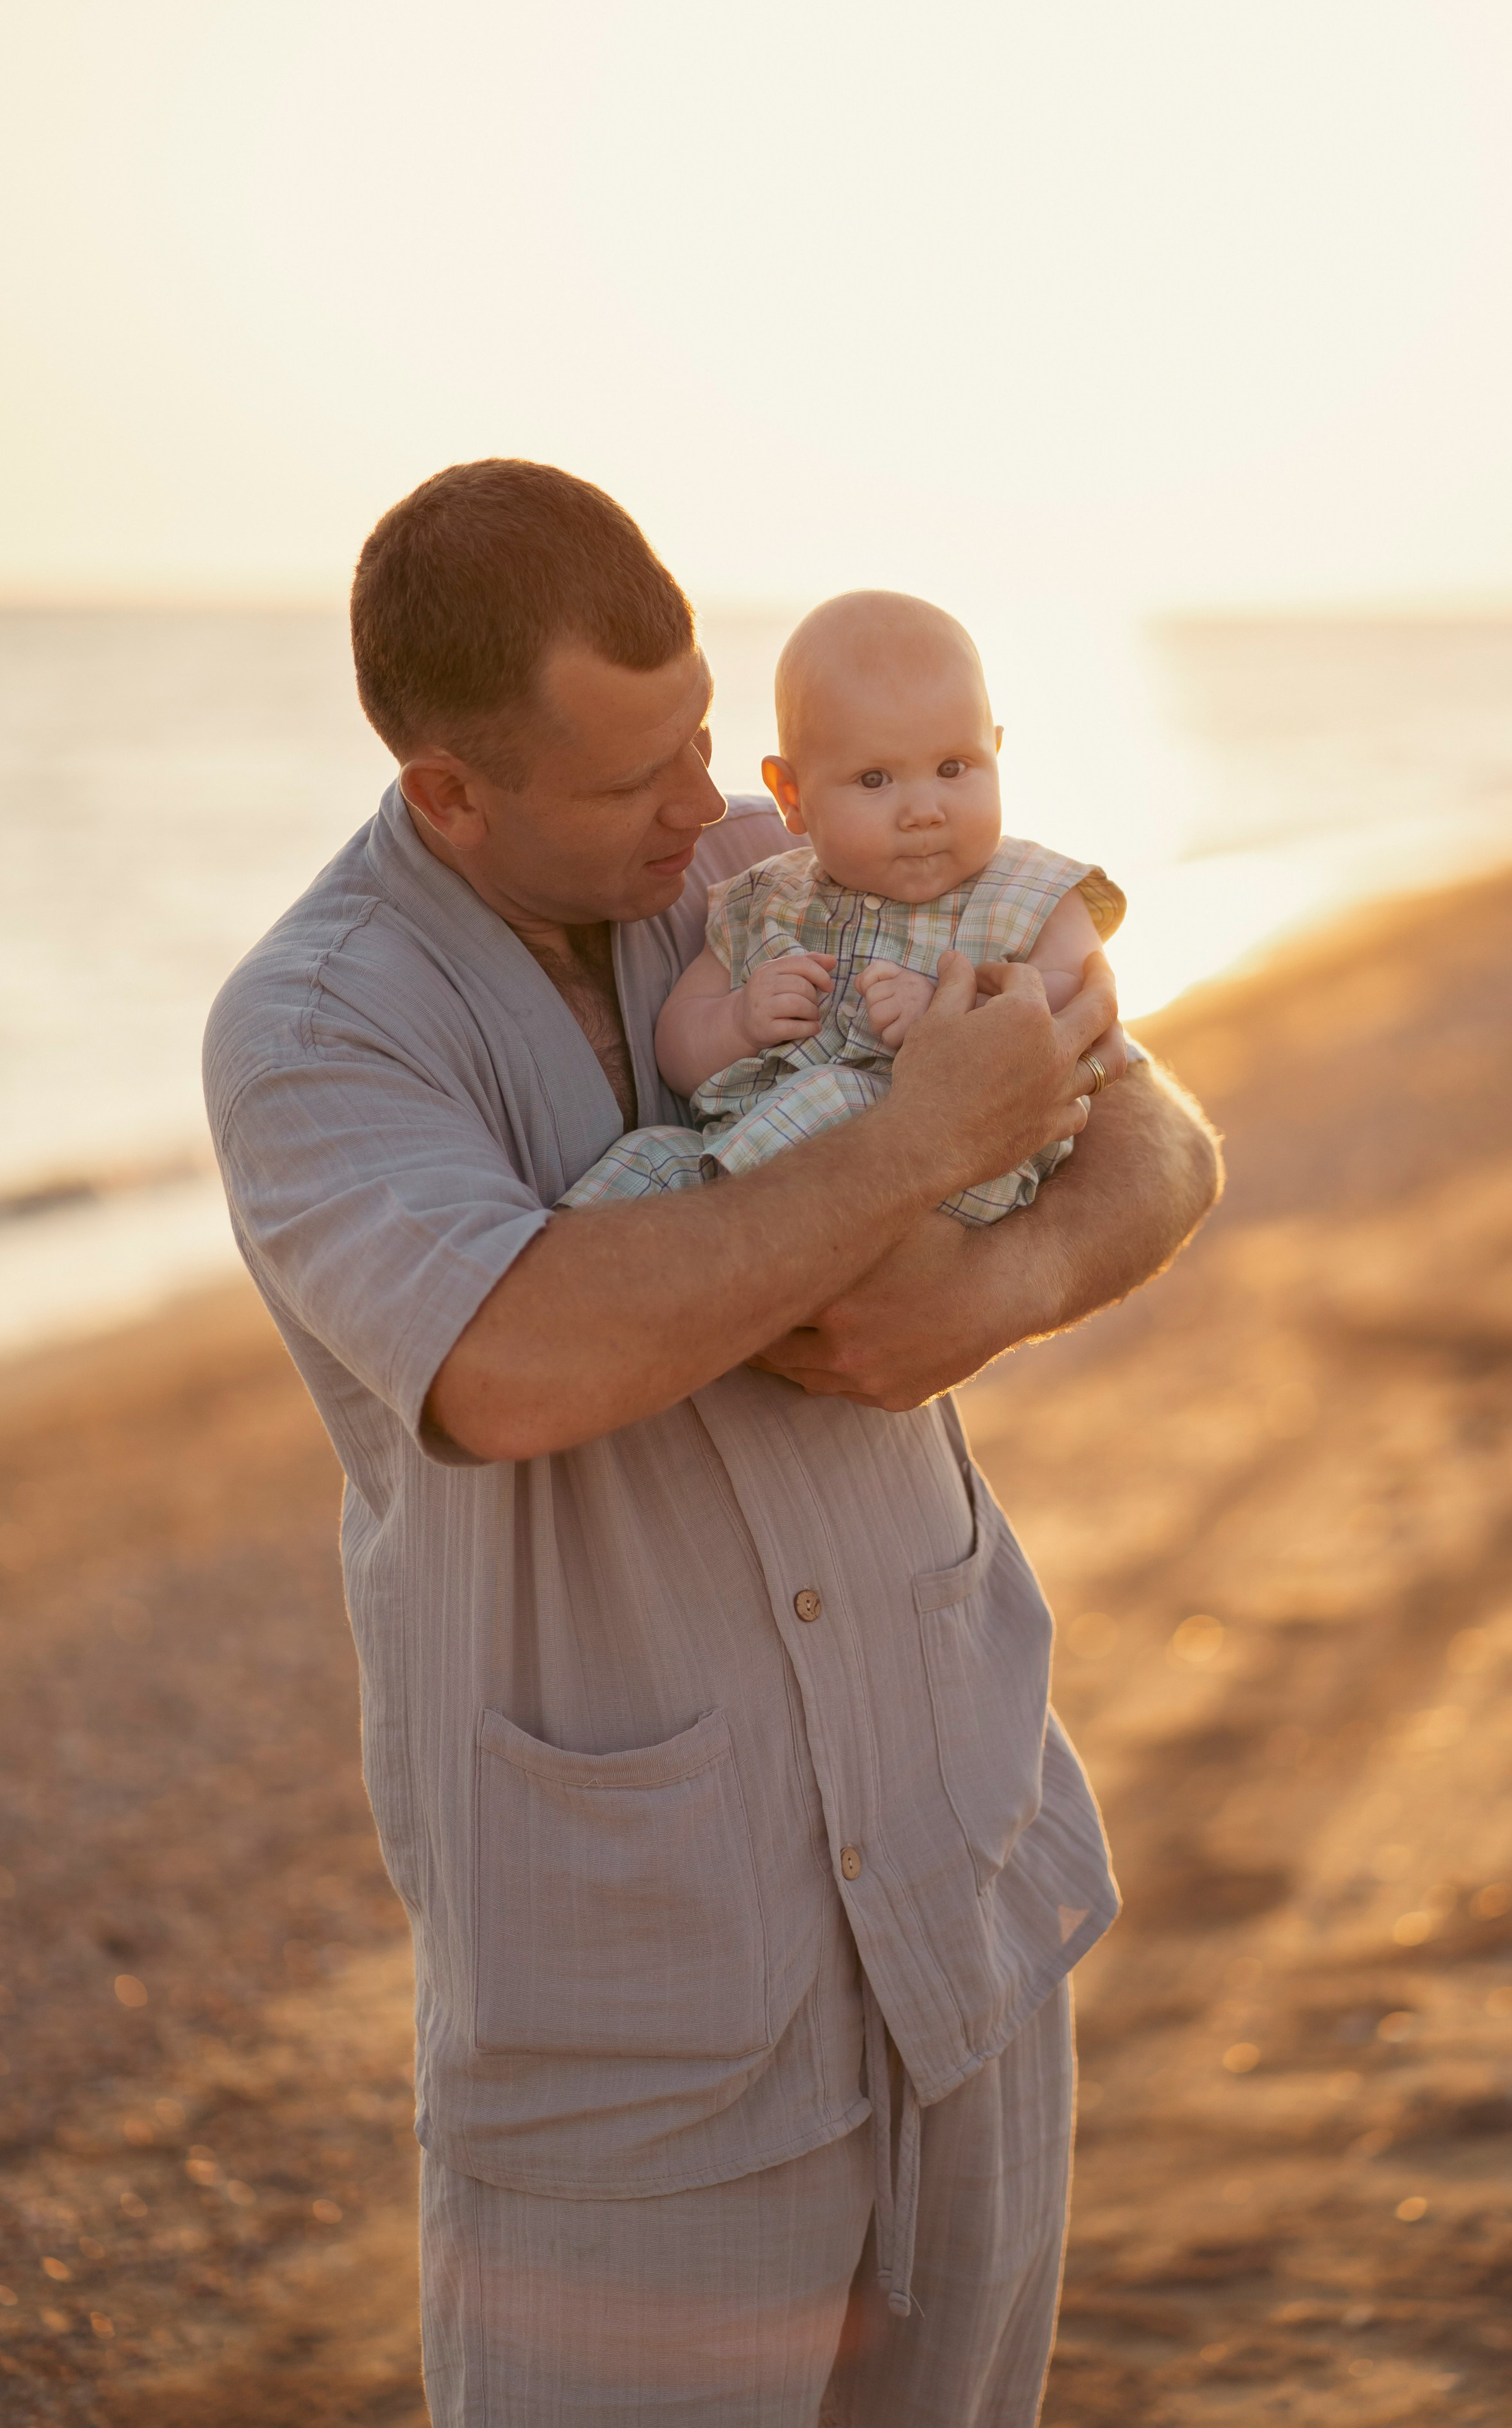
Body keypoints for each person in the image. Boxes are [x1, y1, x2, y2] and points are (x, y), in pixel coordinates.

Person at [203, 458, 1222, 2428]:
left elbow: (1158, 1127)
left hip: (960, 1885)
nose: (701, 806)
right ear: (450, 793)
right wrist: (916, 1147)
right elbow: (509, 1360)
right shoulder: (315, 1031)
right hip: (641, 2026)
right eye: (631, 780)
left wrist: (999, 1286)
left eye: (696, 736)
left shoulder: (784, 853)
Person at [562, 585, 1130, 1224]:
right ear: (792, 795)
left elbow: (1078, 1009)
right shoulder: (761, 900)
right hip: (735, 1159)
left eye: (953, 767)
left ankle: (717, 1233)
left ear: (995, 753)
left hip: (964, 1172)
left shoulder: (1036, 888)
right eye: (874, 779)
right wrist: (738, 1021)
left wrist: (953, 1008)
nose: (924, 811)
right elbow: (677, 1048)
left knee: (834, 1096)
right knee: (642, 1159)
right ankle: (573, 1269)